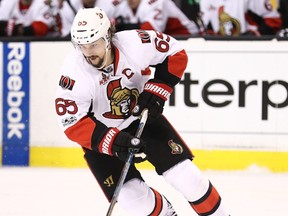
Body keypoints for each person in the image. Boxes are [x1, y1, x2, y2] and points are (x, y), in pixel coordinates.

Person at [55, 7, 230, 216]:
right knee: (135, 202)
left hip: (142, 120)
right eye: (82, 46)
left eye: (94, 44)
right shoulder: (73, 73)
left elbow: (175, 53)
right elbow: (72, 123)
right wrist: (115, 142)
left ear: (108, 37)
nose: (89, 52)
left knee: (190, 179)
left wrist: (158, 90)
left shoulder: (135, 43)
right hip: (103, 139)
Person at [112, 0, 201, 36]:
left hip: (187, 36)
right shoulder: (123, 6)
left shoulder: (158, 1)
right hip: (166, 39)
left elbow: (151, 31)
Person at [200, 0, 282, 36]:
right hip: (221, 50)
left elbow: (273, 21)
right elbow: (206, 30)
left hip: (251, 48)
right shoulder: (205, 1)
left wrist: (256, 34)